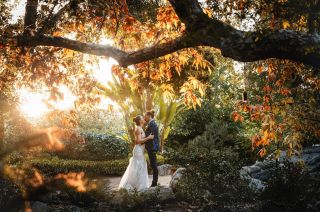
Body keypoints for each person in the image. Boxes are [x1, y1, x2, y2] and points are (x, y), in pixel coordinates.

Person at [118, 115, 154, 191]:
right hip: (138, 150)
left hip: (140, 150)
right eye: (142, 118)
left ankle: (139, 185)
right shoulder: (138, 129)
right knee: (138, 166)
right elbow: (138, 141)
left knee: (140, 166)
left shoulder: (140, 128)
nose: (144, 119)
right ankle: (136, 186)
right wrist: (148, 138)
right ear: (140, 121)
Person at [144, 110, 160, 187]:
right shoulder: (150, 124)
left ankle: (154, 183)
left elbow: (151, 136)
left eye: (145, 116)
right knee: (153, 165)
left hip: (152, 147)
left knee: (154, 166)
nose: (144, 117)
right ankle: (154, 182)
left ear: (149, 116)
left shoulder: (152, 124)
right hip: (151, 147)